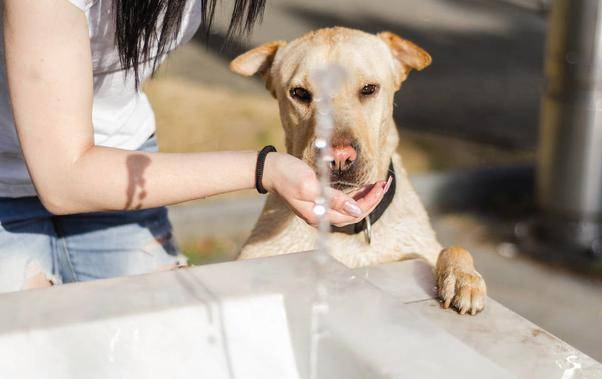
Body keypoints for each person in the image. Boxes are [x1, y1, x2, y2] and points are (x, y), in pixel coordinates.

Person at [0, 0, 386, 293]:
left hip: (122, 161)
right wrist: (266, 169)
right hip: (16, 181)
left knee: (158, 346)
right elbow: (65, 180)